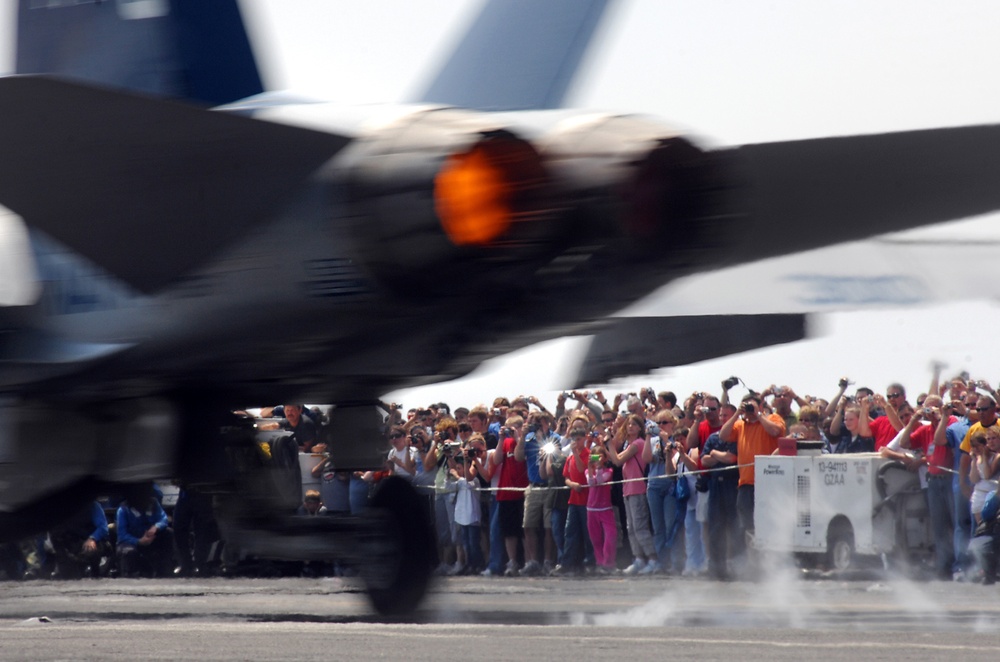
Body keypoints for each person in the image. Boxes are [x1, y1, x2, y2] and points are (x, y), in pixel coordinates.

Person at [720, 393, 785, 551]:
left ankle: (772, 556)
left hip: (768, 483)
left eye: (751, 406)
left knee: (768, 522)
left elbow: (776, 431)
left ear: (761, 406)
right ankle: (753, 560)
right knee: (748, 525)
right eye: (746, 406)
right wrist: (737, 413)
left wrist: (758, 415)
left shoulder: (773, 418)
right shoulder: (741, 425)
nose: (749, 410)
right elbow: (723, 435)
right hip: (746, 484)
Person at [608, 414, 658, 575]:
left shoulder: (638, 443)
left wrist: (608, 444)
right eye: (629, 424)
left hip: (638, 489)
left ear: (640, 428)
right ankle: (639, 559)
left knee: (640, 526)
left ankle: (652, 559)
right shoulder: (629, 445)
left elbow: (617, 461)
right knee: (631, 528)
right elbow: (617, 459)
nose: (630, 427)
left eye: (635, 425)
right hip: (628, 489)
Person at [645, 411, 684, 574]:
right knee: (658, 526)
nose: (660, 426)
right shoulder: (653, 441)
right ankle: (661, 562)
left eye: (664, 422)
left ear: (672, 423)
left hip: (669, 485)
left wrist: (667, 439)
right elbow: (646, 458)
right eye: (658, 423)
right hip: (654, 485)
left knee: (670, 525)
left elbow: (676, 457)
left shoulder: (676, 440)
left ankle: (674, 561)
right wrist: (648, 436)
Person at [490, 415, 528, 577]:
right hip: (506, 492)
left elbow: (521, 457)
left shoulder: (526, 441)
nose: (508, 431)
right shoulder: (505, 443)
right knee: (509, 531)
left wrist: (518, 437)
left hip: (523, 491)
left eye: (511, 428)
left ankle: (528, 562)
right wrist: (500, 439)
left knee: (525, 530)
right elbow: (497, 460)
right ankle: (511, 561)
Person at [116, 485, 174, 578]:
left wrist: (156, 527)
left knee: (168, 533)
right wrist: (138, 541)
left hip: (151, 539)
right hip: (131, 542)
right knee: (129, 551)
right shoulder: (123, 510)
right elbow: (122, 535)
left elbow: (164, 519)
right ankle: (130, 576)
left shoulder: (153, 503)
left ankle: (165, 572)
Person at [48, 501, 110, 579]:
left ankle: (95, 575)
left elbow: (103, 528)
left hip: (90, 540)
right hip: (71, 541)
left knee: (92, 550)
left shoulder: (93, 506)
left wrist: (92, 538)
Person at [586, 444, 616, 574]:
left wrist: (598, 468)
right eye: (595, 456)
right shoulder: (588, 471)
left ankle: (608, 562)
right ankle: (600, 562)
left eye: (600, 456)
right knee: (595, 538)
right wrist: (590, 467)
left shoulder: (608, 471)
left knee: (611, 535)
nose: (598, 459)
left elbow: (600, 481)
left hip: (605, 508)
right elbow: (591, 483)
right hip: (592, 509)